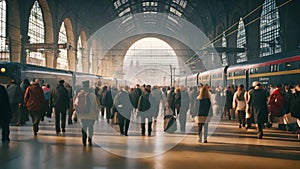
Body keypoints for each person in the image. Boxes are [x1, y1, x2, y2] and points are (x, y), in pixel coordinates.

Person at [74, 80, 100, 146]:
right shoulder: (93, 96)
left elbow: (75, 105)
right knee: (90, 128)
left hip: (83, 115)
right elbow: (96, 106)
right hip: (91, 115)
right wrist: (97, 113)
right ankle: (90, 139)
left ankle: (84, 141)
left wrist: (76, 113)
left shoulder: (79, 95)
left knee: (84, 128)